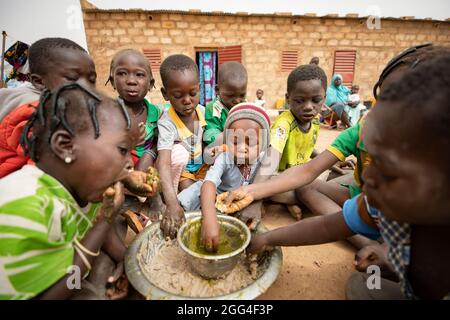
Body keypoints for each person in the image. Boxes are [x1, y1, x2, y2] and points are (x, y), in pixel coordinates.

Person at [248, 55, 450, 299]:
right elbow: (325, 224)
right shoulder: (375, 198)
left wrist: (395, 254)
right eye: (372, 159)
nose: (369, 175)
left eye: (388, 168)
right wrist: (266, 234)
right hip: (284, 176)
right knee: (361, 286)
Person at [217, 44, 450, 251]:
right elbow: (293, 165)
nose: (308, 107)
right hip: (283, 177)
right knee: (303, 187)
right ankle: (365, 238)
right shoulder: (359, 130)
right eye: (385, 98)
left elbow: (310, 162)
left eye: (315, 100)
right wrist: (253, 195)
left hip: (396, 222)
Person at [0, 83, 156, 299]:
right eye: (121, 150)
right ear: (65, 145)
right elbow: (64, 287)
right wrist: (104, 222)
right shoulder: (26, 207)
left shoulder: (82, 188)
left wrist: (129, 264)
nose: (130, 164)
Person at [0, 38, 97, 178]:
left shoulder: (58, 100)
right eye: (72, 78)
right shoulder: (35, 113)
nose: (85, 87)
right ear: (39, 82)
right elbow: (50, 164)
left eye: (91, 80)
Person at [177, 104, 271, 249]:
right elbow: (209, 184)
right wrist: (209, 219)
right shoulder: (225, 157)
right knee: (194, 192)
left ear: (263, 145)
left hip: (239, 201)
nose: (241, 147)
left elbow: (268, 184)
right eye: (235, 141)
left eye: (250, 142)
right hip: (216, 195)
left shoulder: (265, 159)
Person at [156, 54, 206, 238]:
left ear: (199, 89)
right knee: (189, 195)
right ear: (165, 94)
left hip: (202, 167)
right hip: (183, 171)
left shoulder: (203, 112)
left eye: (193, 93)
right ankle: (169, 199)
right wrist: (172, 203)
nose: (187, 100)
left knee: (206, 192)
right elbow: (164, 162)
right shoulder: (167, 123)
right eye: (178, 95)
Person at [203, 61, 247, 146]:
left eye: (242, 95)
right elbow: (210, 133)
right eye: (230, 95)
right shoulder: (213, 108)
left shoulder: (245, 106)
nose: (237, 101)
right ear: (217, 90)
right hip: (222, 148)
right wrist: (228, 136)